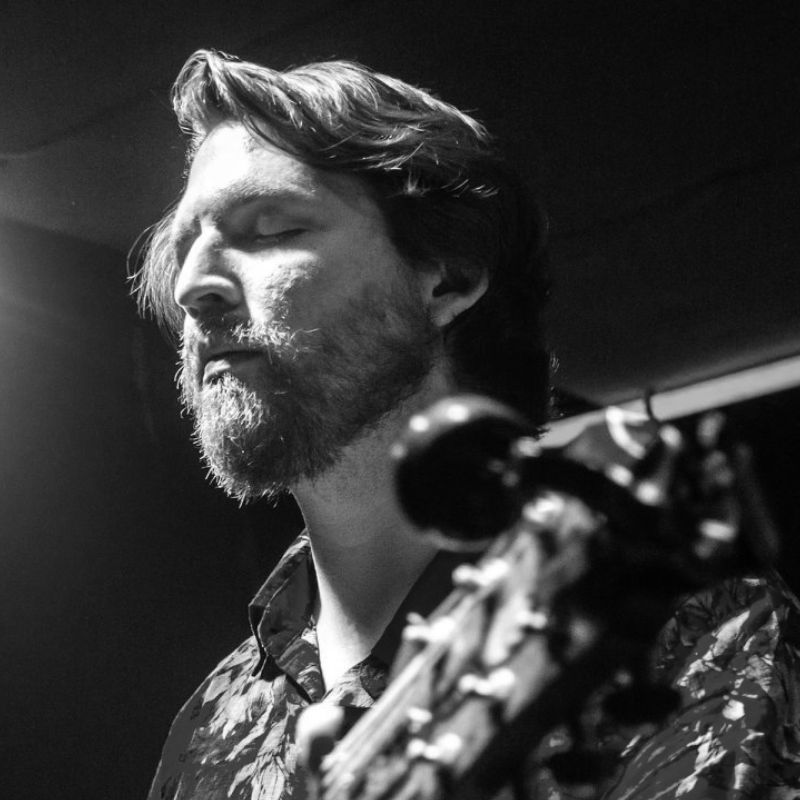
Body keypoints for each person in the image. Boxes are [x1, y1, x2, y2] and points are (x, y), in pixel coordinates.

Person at [133, 50, 800, 800]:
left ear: (446, 277)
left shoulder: (680, 624)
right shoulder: (210, 724)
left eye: (270, 227)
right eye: (188, 246)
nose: (193, 287)